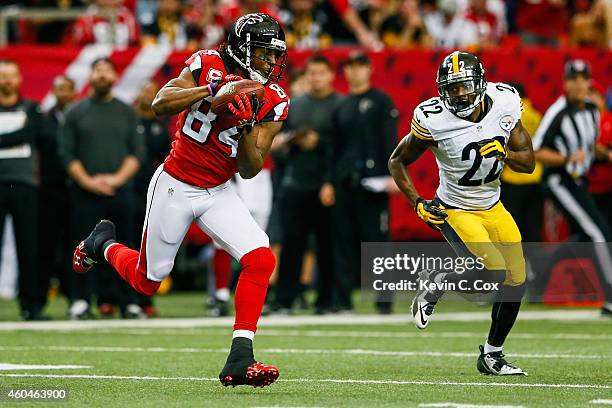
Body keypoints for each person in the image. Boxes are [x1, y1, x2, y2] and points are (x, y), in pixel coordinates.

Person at [72, 13, 289, 388]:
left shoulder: (275, 99)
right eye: (264, 53)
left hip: (219, 189)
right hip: (176, 182)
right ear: (242, 49)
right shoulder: (208, 64)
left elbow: (250, 170)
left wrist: (247, 125)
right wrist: (213, 93)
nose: (272, 62)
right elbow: (160, 103)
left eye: (275, 55)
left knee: (260, 258)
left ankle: (241, 357)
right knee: (147, 281)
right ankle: (102, 244)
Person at [389, 51, 535, 375]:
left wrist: (506, 153)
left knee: (517, 280)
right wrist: (417, 202)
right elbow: (397, 161)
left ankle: (492, 355)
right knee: (493, 273)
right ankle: (437, 282)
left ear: (481, 83)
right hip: (456, 208)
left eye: (464, 86)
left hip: (493, 205)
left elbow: (529, 163)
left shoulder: (506, 102)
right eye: (451, 88)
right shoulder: (433, 118)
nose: (459, 95)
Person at [61, 57, 145, 320]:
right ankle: (81, 301)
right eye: (97, 70)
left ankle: (129, 302)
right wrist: (89, 182)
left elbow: (137, 154)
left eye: (107, 71)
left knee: (127, 245)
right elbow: (67, 155)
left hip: (121, 192)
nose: (102, 76)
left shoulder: (127, 112)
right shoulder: (75, 112)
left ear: (115, 77)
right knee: (82, 247)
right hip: (85, 192)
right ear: (90, 75)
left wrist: (116, 180)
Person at [533, 60, 612, 315]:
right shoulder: (558, 112)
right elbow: (537, 150)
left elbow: (588, 145)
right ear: (565, 83)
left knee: (587, 235)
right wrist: (567, 159)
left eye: (582, 79)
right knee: (598, 233)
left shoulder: (591, 109)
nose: (578, 84)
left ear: (589, 82)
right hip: (559, 181)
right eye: (573, 79)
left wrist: (606, 155)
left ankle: (538, 278)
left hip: (580, 181)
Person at [329, 51, 399, 313]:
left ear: (369, 69)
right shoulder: (342, 106)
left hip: (375, 182)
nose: (354, 71)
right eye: (350, 66)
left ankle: (384, 302)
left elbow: (389, 140)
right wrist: (329, 181)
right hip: (345, 182)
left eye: (359, 66)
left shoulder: (381, 101)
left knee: (377, 242)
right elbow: (334, 147)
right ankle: (343, 300)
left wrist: (393, 174)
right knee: (343, 243)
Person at [273, 54, 340, 313]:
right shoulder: (296, 105)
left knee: (328, 245)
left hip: (326, 184)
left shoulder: (339, 105)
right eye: (312, 73)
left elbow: (342, 147)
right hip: (296, 181)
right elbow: (278, 143)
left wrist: (319, 143)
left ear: (331, 75)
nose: (316, 77)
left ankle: (327, 300)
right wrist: (292, 141)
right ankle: (284, 300)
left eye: (321, 72)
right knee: (292, 244)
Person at [0, 59, 47, 321]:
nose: (6, 80)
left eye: (10, 75)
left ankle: (32, 305)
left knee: (29, 246)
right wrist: (18, 135)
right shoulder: (30, 111)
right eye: (2, 75)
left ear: (19, 79)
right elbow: (25, 134)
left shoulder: (32, 107)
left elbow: (33, 133)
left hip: (25, 185)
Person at [39, 75, 77, 301]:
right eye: (59, 89)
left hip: (77, 188)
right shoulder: (43, 118)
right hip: (50, 188)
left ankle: (76, 296)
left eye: (67, 89)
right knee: (47, 244)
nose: (63, 93)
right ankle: (39, 299)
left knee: (75, 244)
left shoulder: (82, 116)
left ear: (74, 92)